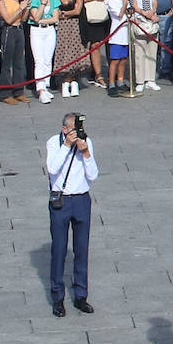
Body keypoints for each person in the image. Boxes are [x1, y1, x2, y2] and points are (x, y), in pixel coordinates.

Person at [46, 112, 98, 318]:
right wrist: (67, 146)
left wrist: (85, 154)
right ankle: (57, 297)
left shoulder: (87, 142)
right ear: (64, 130)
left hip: (82, 200)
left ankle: (81, 294)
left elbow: (93, 175)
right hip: (62, 200)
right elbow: (52, 168)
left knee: (81, 249)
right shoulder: (53, 143)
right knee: (59, 250)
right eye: (73, 130)